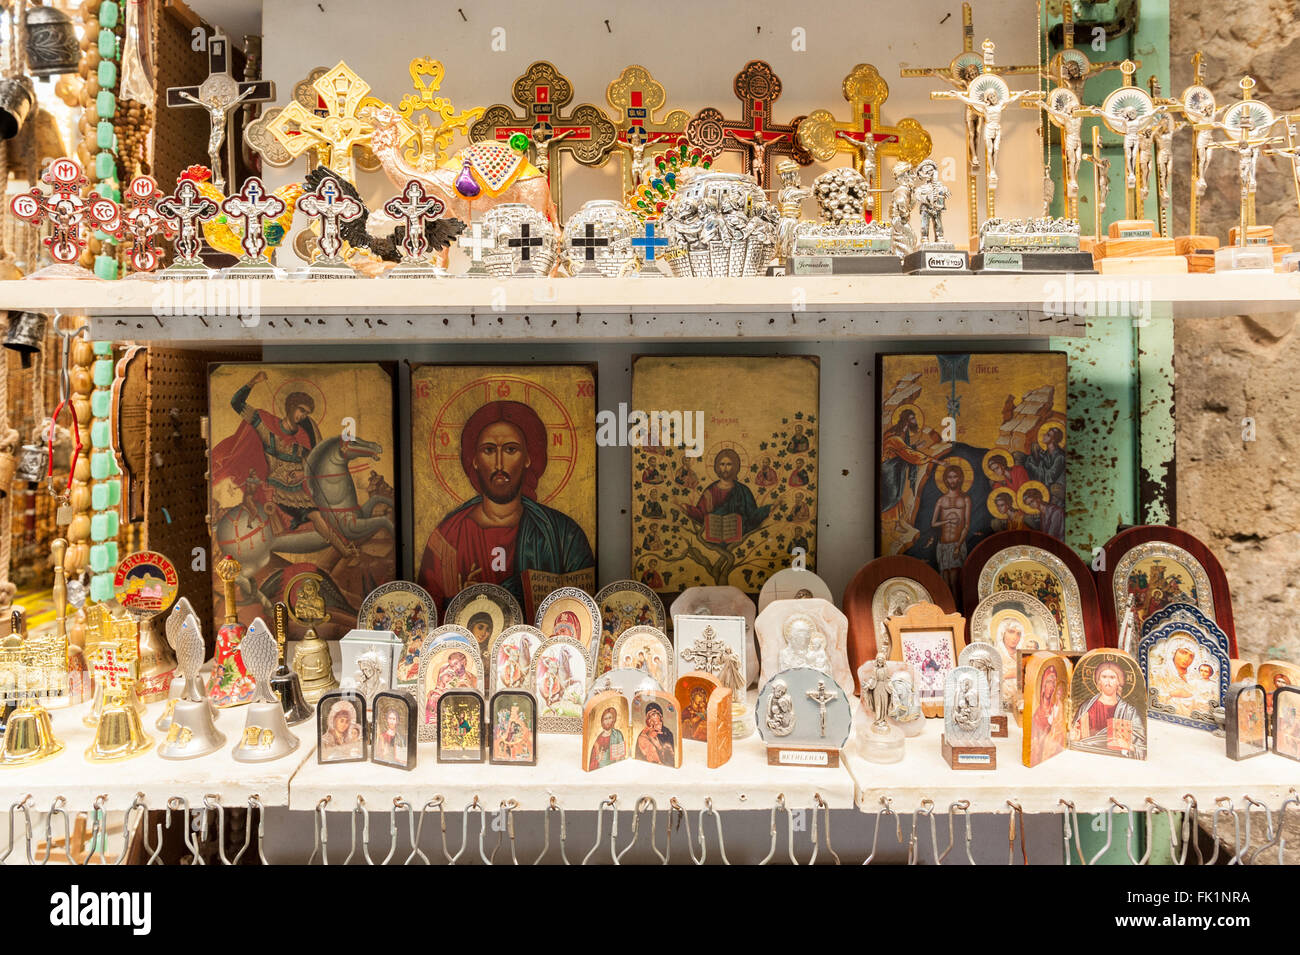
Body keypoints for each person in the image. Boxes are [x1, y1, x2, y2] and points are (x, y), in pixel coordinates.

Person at [418, 401, 594, 608]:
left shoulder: (563, 535)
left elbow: (582, 611)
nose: (499, 464)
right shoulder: (447, 539)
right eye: (489, 450)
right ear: (474, 460)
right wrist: (461, 603)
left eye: (511, 449)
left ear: (528, 458)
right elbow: (428, 615)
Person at [215, 370, 359, 561]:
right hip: (276, 488)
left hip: (299, 488)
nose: (302, 415)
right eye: (301, 410)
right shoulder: (266, 426)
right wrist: (252, 382)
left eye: (306, 413)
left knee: (324, 511)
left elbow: (312, 464)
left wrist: (302, 475)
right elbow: (236, 403)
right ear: (290, 407)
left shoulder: (304, 437)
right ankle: (344, 551)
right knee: (315, 516)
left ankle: (345, 545)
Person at [682, 448, 771, 543]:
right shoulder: (710, 491)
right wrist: (686, 508)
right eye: (722, 464)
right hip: (714, 539)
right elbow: (701, 514)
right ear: (717, 466)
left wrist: (769, 509)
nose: (725, 468)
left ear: (735, 466)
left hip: (739, 540)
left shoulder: (743, 490)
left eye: (729, 464)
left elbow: (753, 516)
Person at [1071, 659, 1145, 755]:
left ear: (1119, 682)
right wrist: (1075, 736)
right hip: (1087, 755)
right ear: (1099, 681)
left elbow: (1141, 745)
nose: (1108, 681)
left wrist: (1129, 746)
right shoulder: (1086, 707)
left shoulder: (1129, 711)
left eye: (1112, 677)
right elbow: (1074, 734)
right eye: (1104, 677)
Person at [930, 463, 971, 594]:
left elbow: (966, 525)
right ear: (945, 479)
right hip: (942, 545)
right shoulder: (941, 500)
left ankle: (959, 611)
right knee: (945, 582)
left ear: (960, 478)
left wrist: (958, 546)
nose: (952, 480)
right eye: (949, 477)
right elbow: (933, 523)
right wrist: (948, 520)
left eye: (955, 477)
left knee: (955, 582)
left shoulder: (965, 499)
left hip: (956, 543)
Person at [1030, 663, 1065, 763]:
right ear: (1043, 686)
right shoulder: (1037, 714)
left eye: (1054, 682)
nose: (1052, 686)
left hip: (1054, 755)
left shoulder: (1056, 708)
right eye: (1049, 681)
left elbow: (1060, 733)